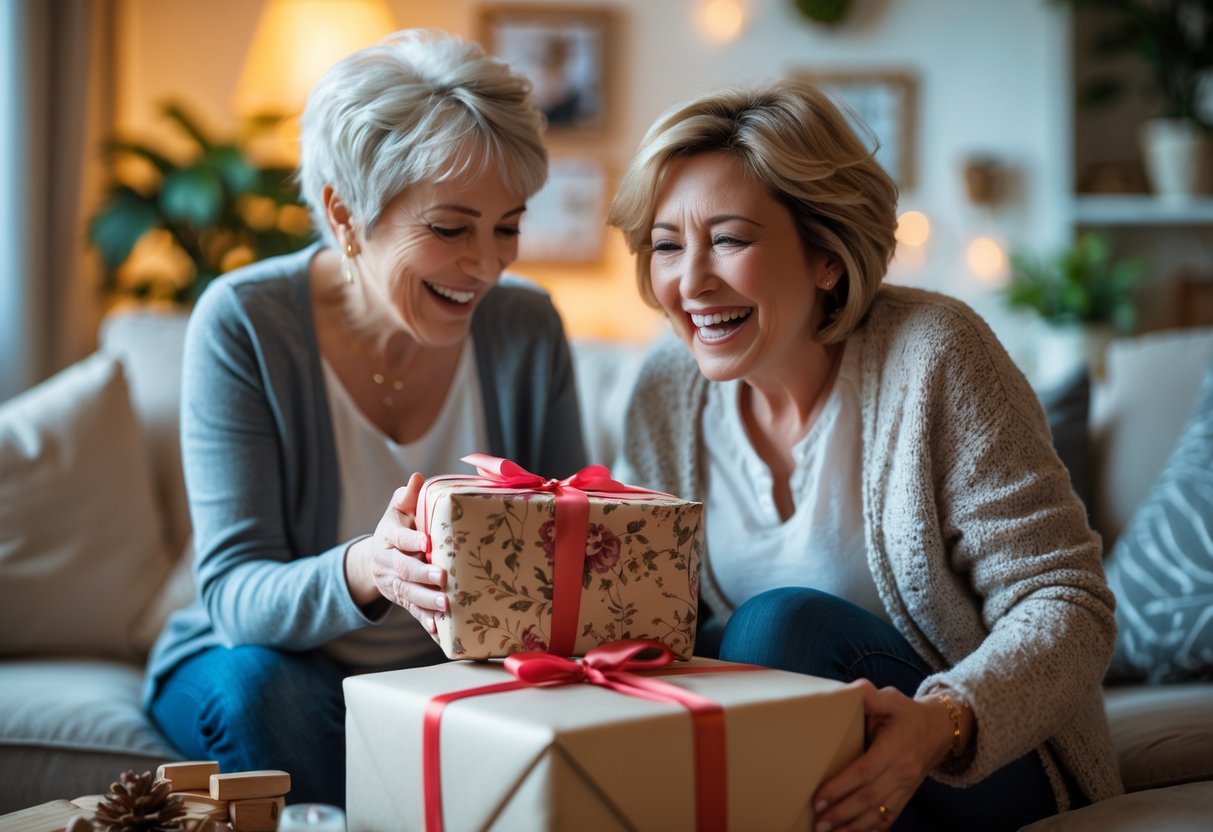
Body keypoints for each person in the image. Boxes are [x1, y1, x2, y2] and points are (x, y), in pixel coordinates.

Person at [607, 79, 1121, 831]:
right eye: (664, 246)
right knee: (707, 650)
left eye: (727, 239)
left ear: (824, 254)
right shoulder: (661, 387)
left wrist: (943, 720)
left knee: (777, 630)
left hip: (975, 752)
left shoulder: (936, 354)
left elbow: (1068, 606)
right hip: (783, 759)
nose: (689, 282)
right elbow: (650, 617)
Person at [143, 29, 586, 805]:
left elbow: (567, 539)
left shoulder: (527, 327)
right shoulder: (245, 322)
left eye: (507, 226)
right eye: (449, 229)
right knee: (264, 695)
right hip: (263, 659)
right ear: (344, 215)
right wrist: (369, 568)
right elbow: (235, 594)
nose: (486, 265)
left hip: (446, 670)